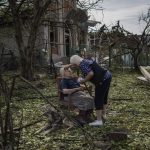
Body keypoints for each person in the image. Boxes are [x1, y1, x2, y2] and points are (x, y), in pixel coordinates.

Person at [66, 55, 112, 126]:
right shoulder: (86, 61)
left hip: (102, 80)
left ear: (76, 62)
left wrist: (83, 80)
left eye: (74, 64)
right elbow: (90, 71)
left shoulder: (82, 64)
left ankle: (99, 121)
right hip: (107, 75)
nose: (75, 66)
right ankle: (103, 115)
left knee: (98, 99)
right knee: (104, 96)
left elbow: (91, 74)